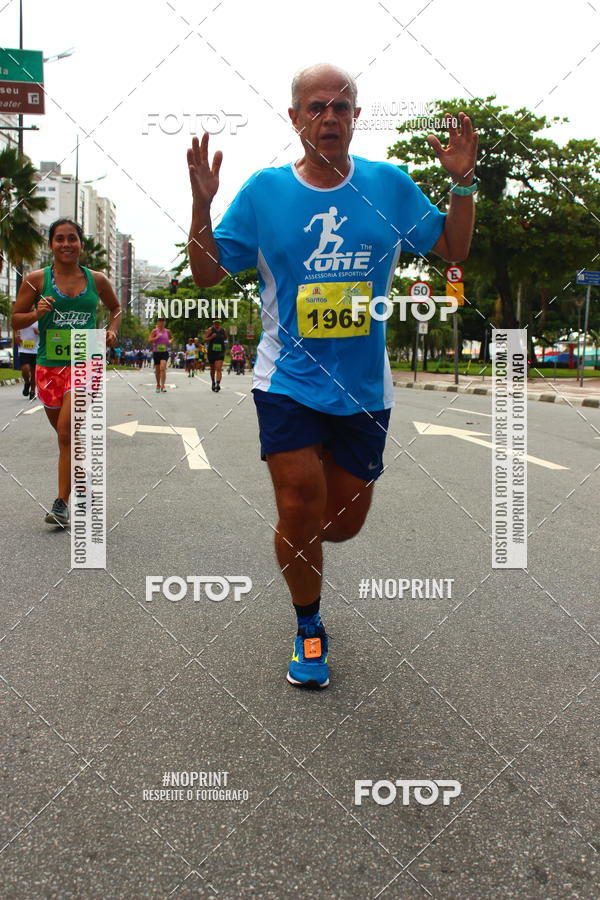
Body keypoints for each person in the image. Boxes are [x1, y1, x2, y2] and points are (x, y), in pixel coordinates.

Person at [187, 64, 477, 688]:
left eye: (341, 107)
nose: (330, 117)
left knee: (341, 523)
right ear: (294, 119)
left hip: (363, 388)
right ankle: (309, 626)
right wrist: (201, 205)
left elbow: (451, 250)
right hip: (286, 378)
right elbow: (209, 274)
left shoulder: (389, 185)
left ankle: (303, 544)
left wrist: (464, 183)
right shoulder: (265, 192)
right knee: (297, 502)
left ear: (356, 116)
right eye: (316, 107)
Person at [11, 217, 119, 526]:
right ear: (51, 245)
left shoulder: (96, 280)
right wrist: (36, 312)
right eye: (60, 238)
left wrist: (111, 331)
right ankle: (80, 482)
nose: (66, 244)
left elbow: (116, 309)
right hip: (48, 366)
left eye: (72, 238)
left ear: (81, 244)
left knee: (66, 430)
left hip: (86, 359)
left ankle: (61, 504)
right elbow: (16, 319)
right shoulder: (35, 279)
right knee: (66, 439)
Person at [16, 322, 39, 399]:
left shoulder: (39, 318)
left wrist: (38, 332)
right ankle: (27, 382)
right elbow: (15, 326)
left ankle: (32, 391)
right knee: (25, 369)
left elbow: (45, 332)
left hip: (36, 349)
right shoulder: (23, 317)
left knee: (33, 372)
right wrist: (17, 335)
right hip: (23, 349)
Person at [149, 317, 173, 392]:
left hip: (164, 352)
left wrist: (170, 341)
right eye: (160, 322)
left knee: (163, 367)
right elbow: (149, 340)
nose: (161, 323)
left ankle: (163, 385)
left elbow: (172, 338)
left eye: (163, 321)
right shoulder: (154, 331)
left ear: (165, 323)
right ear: (157, 323)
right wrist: (156, 337)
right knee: (158, 370)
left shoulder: (167, 331)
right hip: (156, 352)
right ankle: (158, 385)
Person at [204, 318, 227, 391]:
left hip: (220, 352)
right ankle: (213, 382)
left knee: (218, 368)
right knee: (213, 369)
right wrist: (211, 337)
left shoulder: (223, 330)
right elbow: (205, 339)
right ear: (213, 323)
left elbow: (226, 338)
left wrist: (223, 338)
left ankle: (218, 384)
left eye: (218, 322)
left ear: (220, 323)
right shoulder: (210, 330)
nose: (217, 324)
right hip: (211, 352)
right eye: (216, 323)